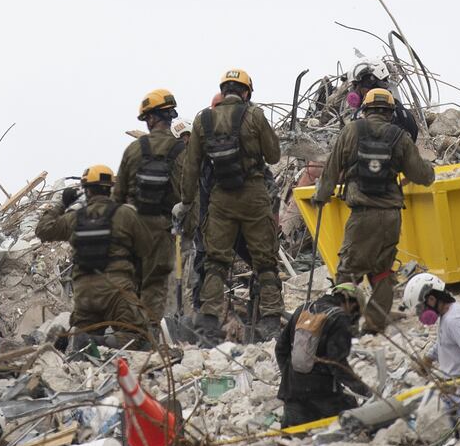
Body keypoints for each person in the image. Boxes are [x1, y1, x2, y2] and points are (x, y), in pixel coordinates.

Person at [313, 88, 435, 332]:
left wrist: (320, 197)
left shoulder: (350, 131)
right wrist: (429, 168)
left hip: (362, 216)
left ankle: (343, 325)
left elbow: (330, 172)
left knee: (348, 272)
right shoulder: (399, 137)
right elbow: (423, 176)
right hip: (391, 216)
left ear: (364, 109)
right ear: (390, 113)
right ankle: (373, 325)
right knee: (382, 272)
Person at [178, 69, 283, 344]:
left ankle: (209, 323)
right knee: (264, 262)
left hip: (220, 199)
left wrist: (186, 203)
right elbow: (273, 155)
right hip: (254, 195)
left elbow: (191, 167)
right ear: (246, 92)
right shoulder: (255, 115)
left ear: (223, 91)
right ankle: (271, 321)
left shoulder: (203, 120)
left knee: (215, 262)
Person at [36, 165, 152, 347]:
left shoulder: (74, 218)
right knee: (138, 336)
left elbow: (43, 230)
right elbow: (147, 249)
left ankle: (70, 341)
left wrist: (61, 204)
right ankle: (98, 342)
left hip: (84, 294)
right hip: (117, 288)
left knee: (82, 339)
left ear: (86, 190)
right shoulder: (125, 214)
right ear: (110, 188)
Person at [114, 89, 185, 328]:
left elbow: (118, 195)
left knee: (130, 282)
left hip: (132, 227)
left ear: (152, 118)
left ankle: (126, 333)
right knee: (154, 286)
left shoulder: (133, 150)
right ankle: (148, 337)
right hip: (162, 229)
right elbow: (186, 194)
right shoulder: (180, 151)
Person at [275, 283, 370, 427]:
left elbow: (280, 348)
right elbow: (337, 363)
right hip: (324, 395)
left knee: (290, 440)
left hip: (292, 392)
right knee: (355, 426)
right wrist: (364, 390)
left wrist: (289, 377)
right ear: (350, 303)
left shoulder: (303, 309)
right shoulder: (339, 318)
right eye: (355, 312)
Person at [348, 59, 419, 142]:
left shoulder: (359, 116)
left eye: (356, 85)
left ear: (371, 84)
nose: (355, 91)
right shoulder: (404, 114)